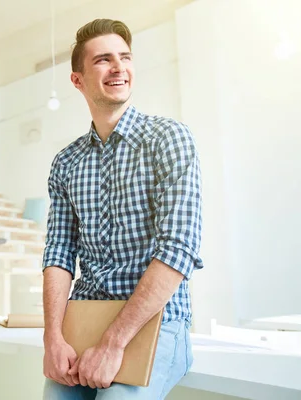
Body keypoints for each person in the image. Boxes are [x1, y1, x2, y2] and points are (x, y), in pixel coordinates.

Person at [41, 18, 203, 399]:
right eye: (103, 60)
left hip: (157, 324)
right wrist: (53, 337)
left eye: (125, 57)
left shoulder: (169, 139)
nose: (118, 67)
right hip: (84, 322)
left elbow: (179, 249)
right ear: (77, 80)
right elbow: (59, 254)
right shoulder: (66, 162)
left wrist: (113, 343)